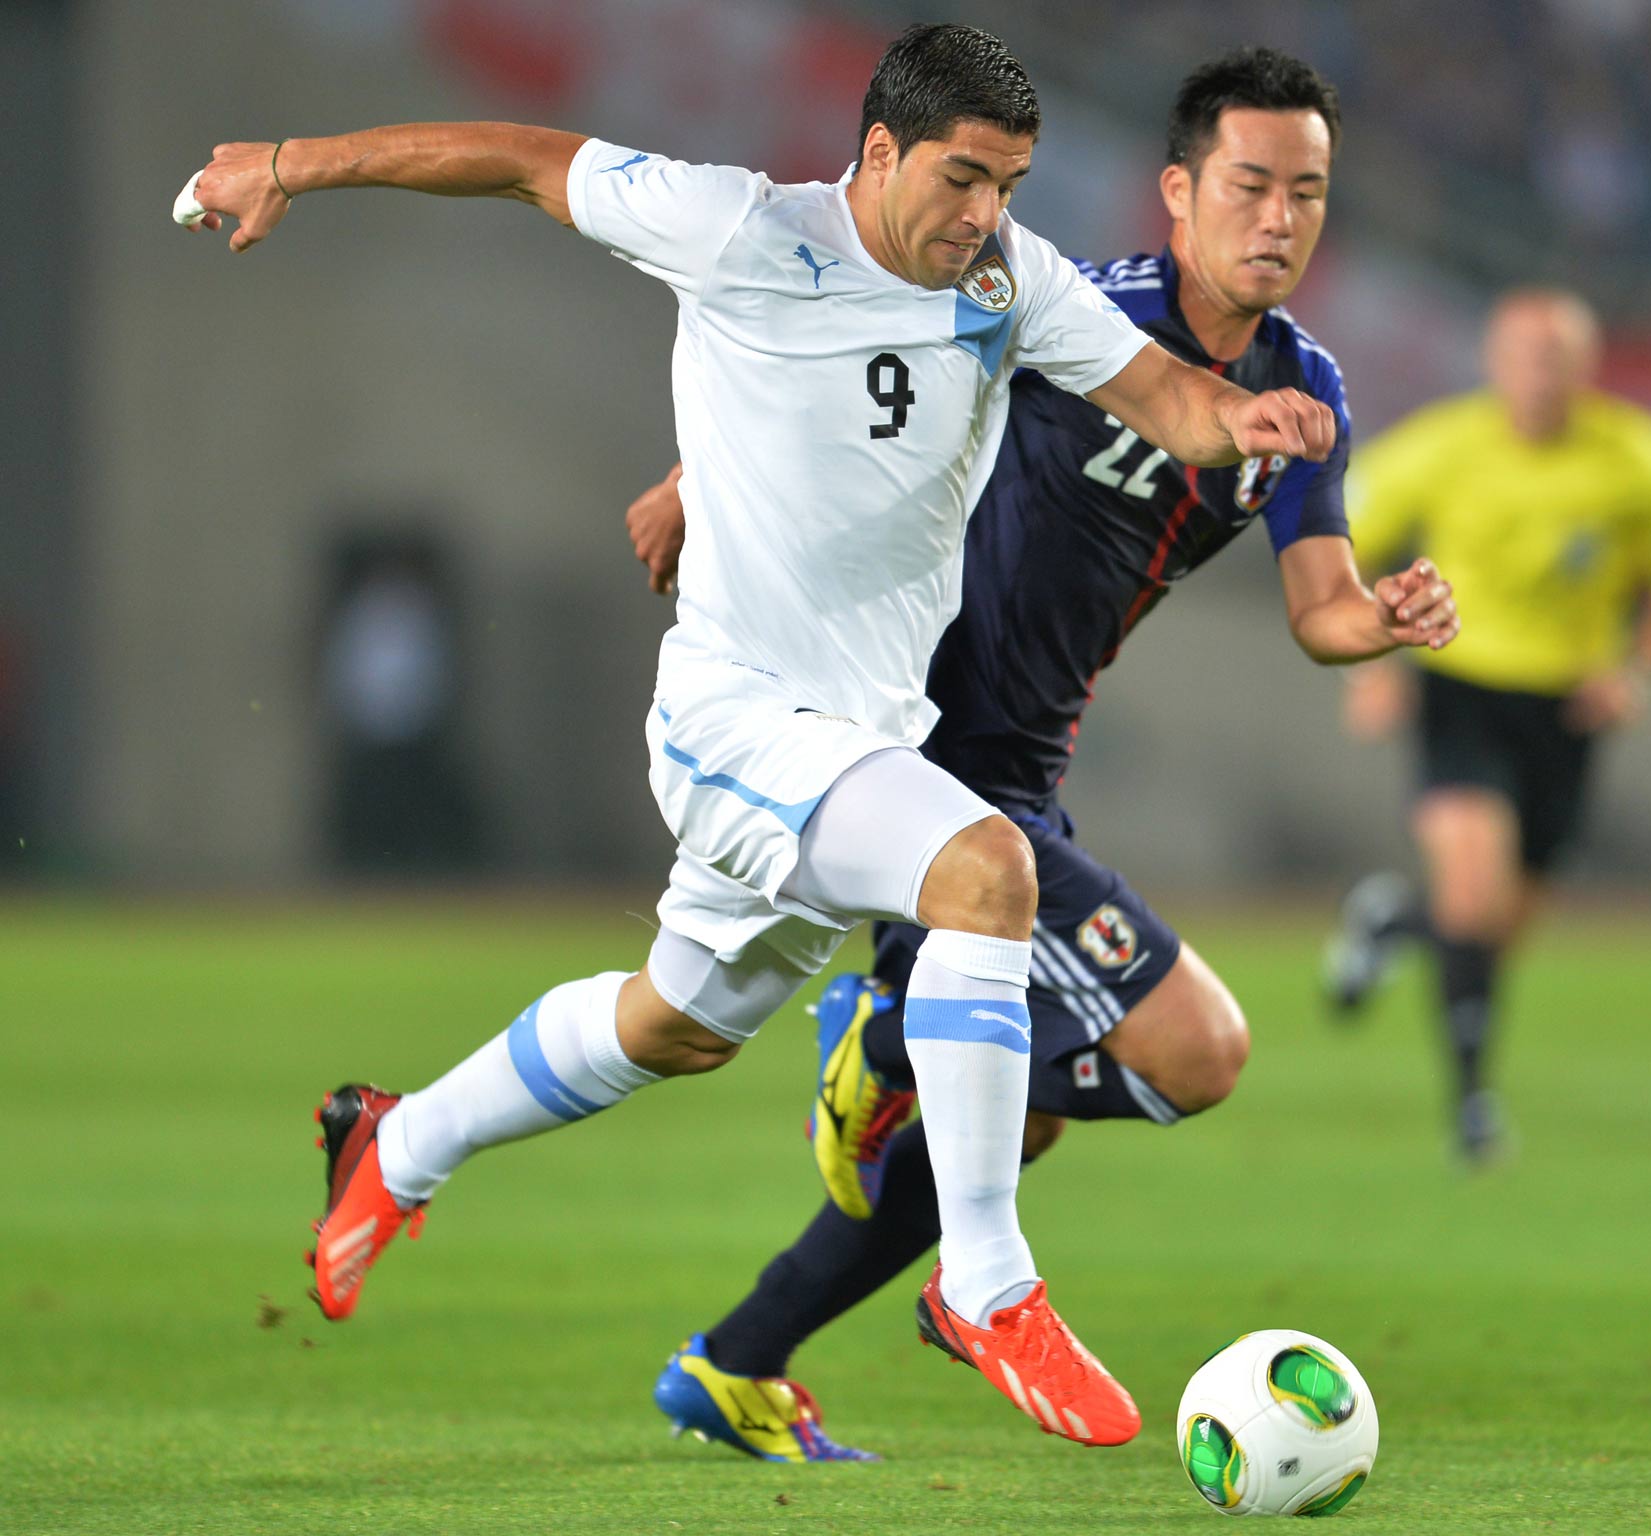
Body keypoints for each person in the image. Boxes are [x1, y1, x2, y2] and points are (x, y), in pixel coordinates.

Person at [183, 23, 1341, 1448]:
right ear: (877, 153)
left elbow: (1166, 397)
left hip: (862, 742)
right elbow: (518, 161)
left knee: (672, 1027)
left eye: (1011, 184)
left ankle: (396, 1141)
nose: (985, 215)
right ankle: (984, 1282)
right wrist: (290, 165)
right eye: (964, 178)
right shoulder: (739, 226)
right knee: (988, 871)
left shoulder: (1005, 276)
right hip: (734, 719)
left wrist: (1251, 417)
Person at [620, 48, 1459, 1462]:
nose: (1280, 218)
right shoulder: (1070, 314)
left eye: (1308, 193)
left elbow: (1320, 610)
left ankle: (735, 1359)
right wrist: (704, 478)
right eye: (1251, 185)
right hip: (900, 744)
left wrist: (1381, 620)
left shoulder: (1303, 395)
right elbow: (858, 387)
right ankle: (884, 1055)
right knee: (1196, 1053)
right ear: (1180, 193)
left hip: (1021, 768)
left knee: (1003, 1128)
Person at [1324, 289, 1651, 1163]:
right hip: (1458, 688)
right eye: (1524, 355)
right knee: (1473, 891)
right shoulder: (1443, 445)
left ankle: (1395, 928)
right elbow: (1339, 533)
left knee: (1499, 923)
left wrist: (1641, 674)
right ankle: (1472, 1105)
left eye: (1559, 357)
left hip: (1565, 709)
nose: (1540, 375)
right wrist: (1373, 654)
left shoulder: (1639, 459)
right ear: (1494, 363)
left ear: (1589, 366)